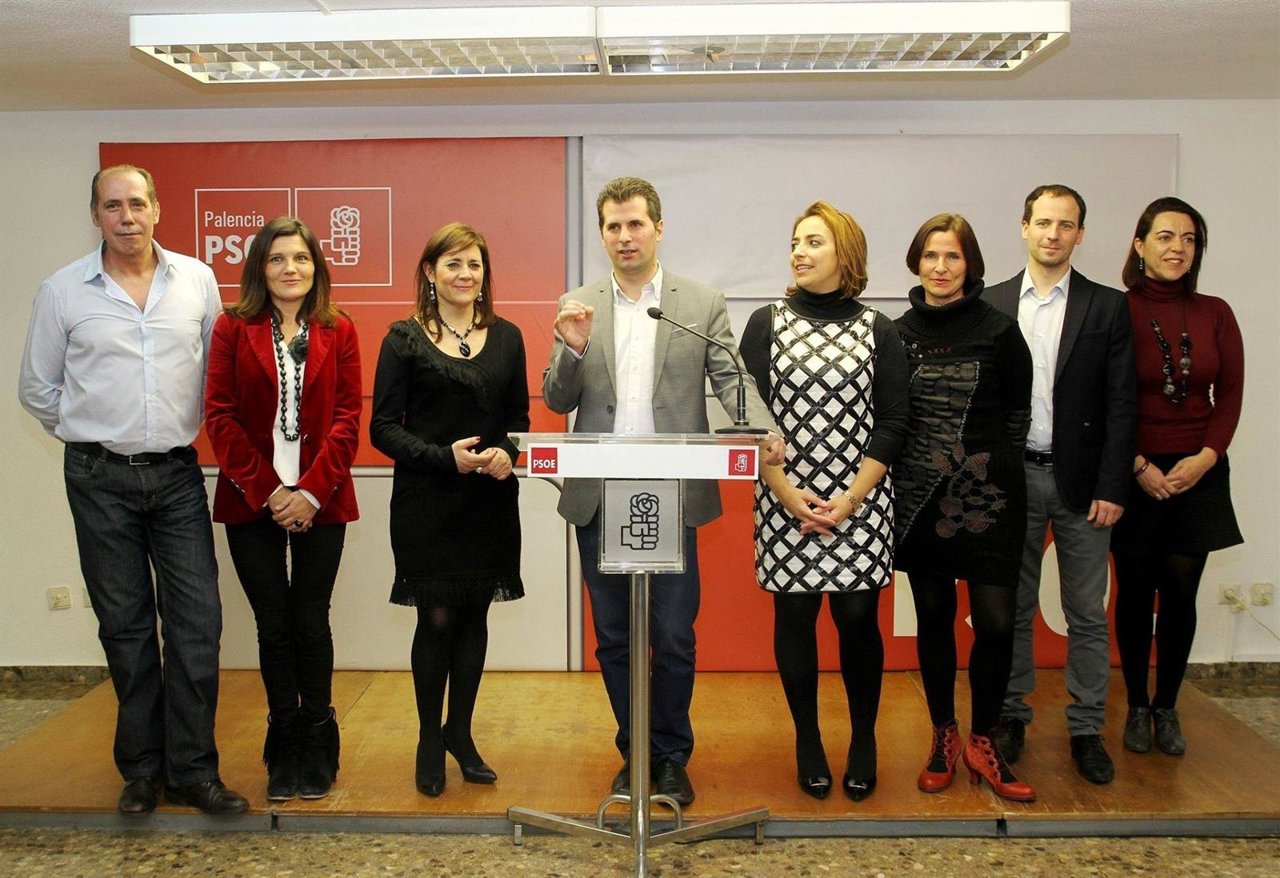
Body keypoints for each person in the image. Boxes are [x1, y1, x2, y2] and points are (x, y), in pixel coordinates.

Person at [543, 176, 783, 806]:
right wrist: (569, 350)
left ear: (658, 227)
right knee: (615, 637)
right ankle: (635, 753)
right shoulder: (578, 302)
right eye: (613, 227)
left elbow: (733, 376)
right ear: (602, 234)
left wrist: (759, 428)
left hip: (671, 494)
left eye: (636, 224)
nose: (625, 237)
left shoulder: (697, 302)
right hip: (600, 495)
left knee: (673, 635)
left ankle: (673, 756)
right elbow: (556, 398)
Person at [18, 164, 247, 816]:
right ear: (96, 215)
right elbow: (36, 389)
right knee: (125, 630)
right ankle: (143, 772)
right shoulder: (63, 291)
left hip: (176, 475)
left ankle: (195, 773)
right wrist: (92, 432)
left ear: (156, 210)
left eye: (137, 203)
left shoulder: (197, 281)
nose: (127, 216)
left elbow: (219, 374)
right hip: (98, 480)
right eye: (113, 206)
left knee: (198, 627)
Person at [740, 201, 908, 802]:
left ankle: (863, 739)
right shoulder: (766, 322)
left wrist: (851, 497)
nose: (799, 252)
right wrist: (787, 495)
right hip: (786, 497)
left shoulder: (878, 329)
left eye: (813, 241)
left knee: (858, 618)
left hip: (858, 500)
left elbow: (891, 422)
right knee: (795, 616)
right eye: (795, 241)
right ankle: (808, 739)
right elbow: (749, 418)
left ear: (845, 254)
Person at [205, 217, 362, 801]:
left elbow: (349, 419)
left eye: (300, 258)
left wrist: (310, 492)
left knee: (310, 620)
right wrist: (270, 491)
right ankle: (284, 741)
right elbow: (218, 415)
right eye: (276, 259)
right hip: (252, 501)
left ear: (316, 266)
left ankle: (319, 736)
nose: (289, 269)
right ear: (259, 268)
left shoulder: (338, 328)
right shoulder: (231, 326)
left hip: (323, 498)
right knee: (273, 626)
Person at [370, 222, 528, 797]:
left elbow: (519, 422)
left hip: (488, 503)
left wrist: (508, 454)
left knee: (475, 617)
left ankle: (459, 732)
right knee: (435, 618)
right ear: (431, 272)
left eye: (475, 265)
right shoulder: (402, 339)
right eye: (454, 264)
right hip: (427, 501)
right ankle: (428, 740)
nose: (466, 275)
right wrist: (443, 458)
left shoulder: (508, 337)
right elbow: (383, 428)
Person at [985, 184, 1137, 785]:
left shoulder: (1107, 307)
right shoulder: (992, 303)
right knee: (1013, 609)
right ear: (1023, 227)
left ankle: (1086, 728)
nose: (1053, 233)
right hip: (1012, 480)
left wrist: (1114, 485)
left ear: (1079, 234)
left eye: (1065, 225)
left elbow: (1122, 404)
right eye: (1043, 222)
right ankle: (1011, 716)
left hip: (1084, 486)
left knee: (1086, 614)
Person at [892, 214, 1035, 801]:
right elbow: (893, 415)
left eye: (952, 257)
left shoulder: (1000, 330)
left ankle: (984, 739)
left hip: (987, 495)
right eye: (931, 256)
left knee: (998, 622)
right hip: (920, 493)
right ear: (916, 262)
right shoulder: (896, 332)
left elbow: (1019, 415)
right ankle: (944, 734)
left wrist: (984, 465)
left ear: (970, 264)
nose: (941, 268)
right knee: (933, 619)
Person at [1112, 197, 1244, 757]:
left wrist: (1208, 456)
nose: (1177, 248)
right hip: (1135, 470)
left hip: (1199, 472)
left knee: (1182, 593)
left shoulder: (1217, 311)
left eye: (1189, 239)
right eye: (1165, 237)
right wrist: (1138, 464)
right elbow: (1106, 397)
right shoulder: (1116, 311)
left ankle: (1168, 706)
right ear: (1140, 246)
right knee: (1136, 591)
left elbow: (1230, 393)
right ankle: (1136, 705)